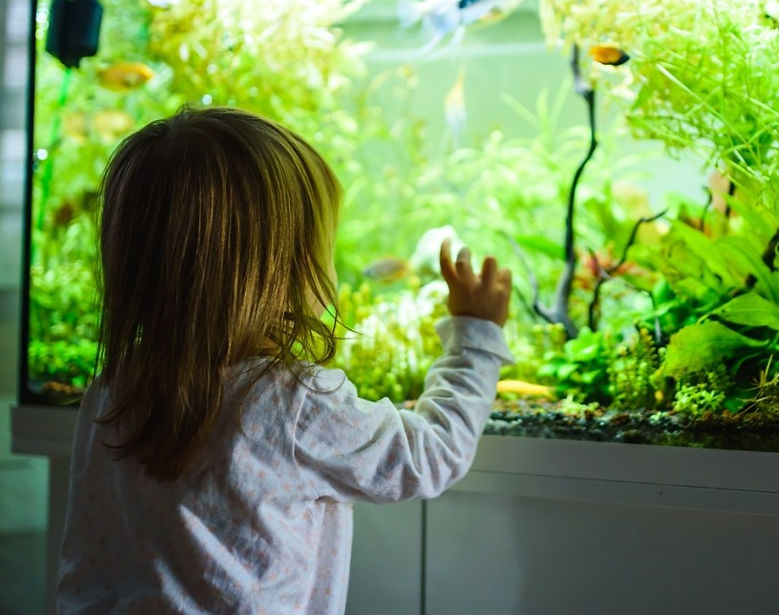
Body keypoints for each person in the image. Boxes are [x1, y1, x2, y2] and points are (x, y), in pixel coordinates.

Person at [55, 106, 514, 614]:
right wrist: (475, 336)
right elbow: (429, 456)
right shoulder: (290, 403)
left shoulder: (112, 388)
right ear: (283, 268)